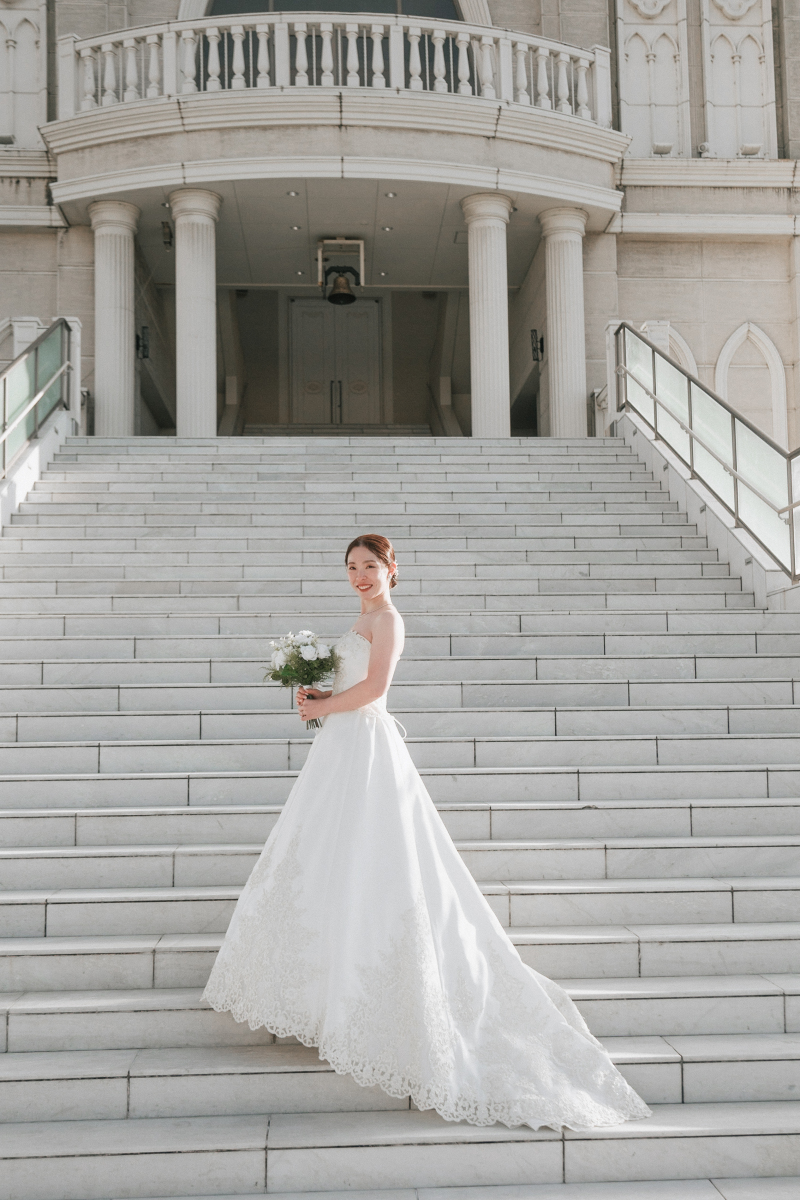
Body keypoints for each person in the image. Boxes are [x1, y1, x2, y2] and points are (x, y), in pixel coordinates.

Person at [202, 533, 651, 1131]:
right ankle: (322, 991)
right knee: (324, 857)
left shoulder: (388, 619)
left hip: (366, 748)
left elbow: (377, 692)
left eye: (371, 566)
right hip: (340, 750)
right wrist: (317, 694)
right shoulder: (359, 617)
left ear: (392, 569)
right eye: (352, 567)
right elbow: (349, 689)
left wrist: (322, 708)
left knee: (374, 859)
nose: (361, 576)